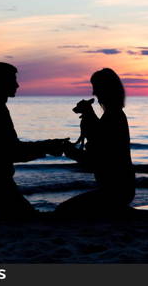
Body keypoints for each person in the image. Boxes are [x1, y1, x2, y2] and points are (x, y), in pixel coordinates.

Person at [0, 62, 68, 218]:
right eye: (12, 80)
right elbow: (12, 152)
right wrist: (46, 147)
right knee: (30, 218)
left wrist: (46, 146)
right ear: (0, 82)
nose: (17, 85)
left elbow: (11, 149)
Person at [55, 68, 135, 216]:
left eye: (96, 88)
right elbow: (99, 145)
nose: (94, 93)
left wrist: (69, 151)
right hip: (119, 191)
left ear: (106, 89)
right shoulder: (114, 116)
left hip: (115, 193)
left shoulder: (113, 117)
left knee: (62, 211)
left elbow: (95, 159)